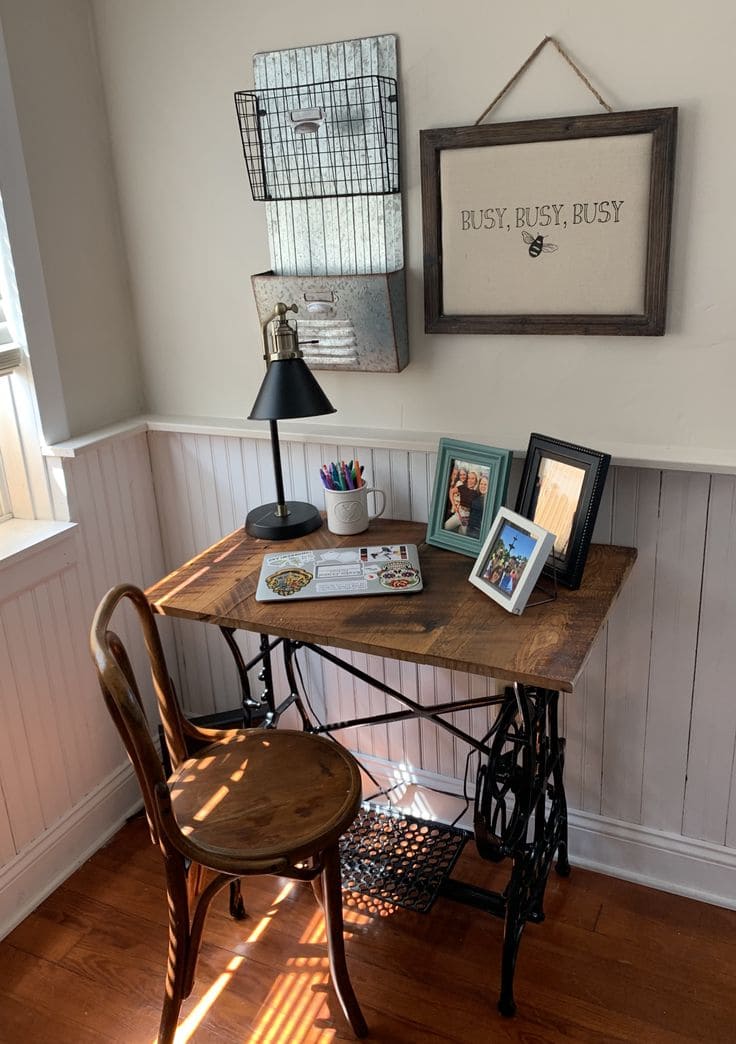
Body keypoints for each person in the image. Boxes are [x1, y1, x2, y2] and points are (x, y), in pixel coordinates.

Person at [466, 473, 488, 539]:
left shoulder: (487, 500)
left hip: (477, 531)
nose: (483, 486)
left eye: (485, 484)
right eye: (481, 484)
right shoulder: (479, 496)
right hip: (470, 527)